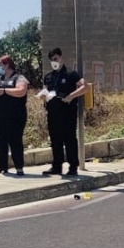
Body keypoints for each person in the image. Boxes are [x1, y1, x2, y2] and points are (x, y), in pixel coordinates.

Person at [40, 47, 87, 177]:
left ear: (61, 58)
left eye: (55, 58)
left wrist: (71, 96)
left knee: (69, 140)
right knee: (55, 140)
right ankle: (57, 166)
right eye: (51, 60)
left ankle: (73, 166)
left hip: (67, 112)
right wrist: (43, 95)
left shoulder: (71, 74)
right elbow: (45, 90)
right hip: (53, 112)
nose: (54, 61)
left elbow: (85, 87)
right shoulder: (49, 76)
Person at [0, 55, 29, 175]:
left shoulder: (19, 77)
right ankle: (2, 166)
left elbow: (21, 91)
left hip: (15, 116)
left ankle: (19, 167)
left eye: (0, 64)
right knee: (0, 141)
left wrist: (5, 91)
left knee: (15, 141)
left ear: (7, 64)